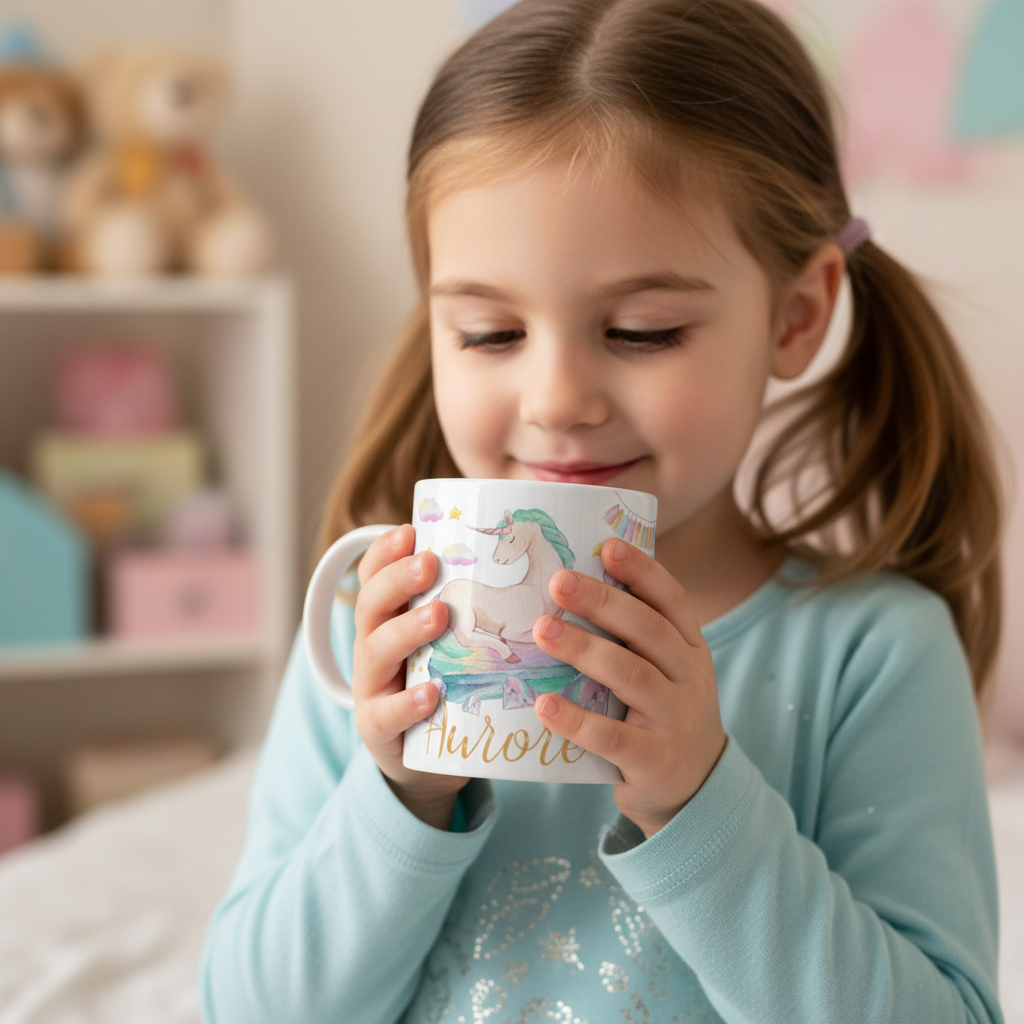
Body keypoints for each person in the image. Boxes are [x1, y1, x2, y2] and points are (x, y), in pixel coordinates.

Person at [200, 1, 1006, 1021]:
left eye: (640, 330)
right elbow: (249, 1006)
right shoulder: (381, 631)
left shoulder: (872, 651)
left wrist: (700, 803)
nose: (555, 398)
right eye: (490, 333)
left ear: (795, 317)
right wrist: (395, 794)